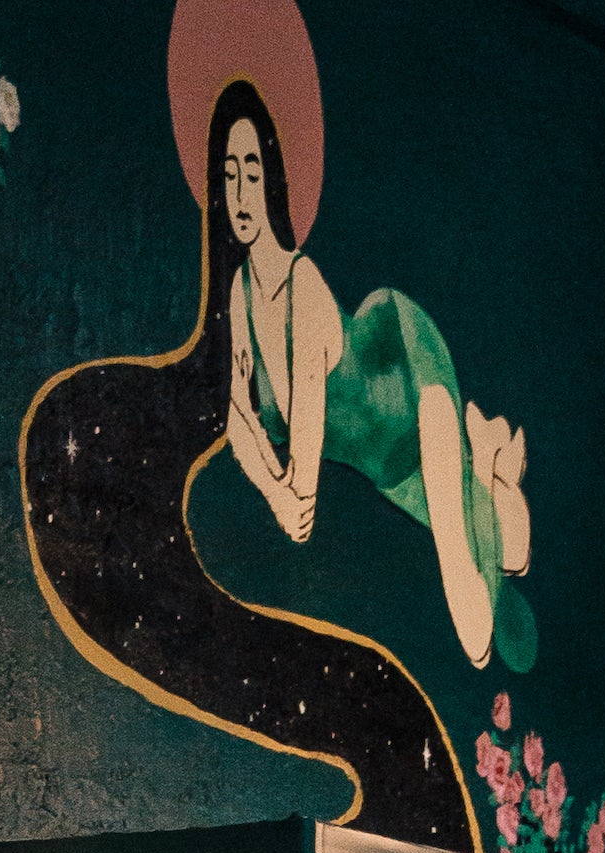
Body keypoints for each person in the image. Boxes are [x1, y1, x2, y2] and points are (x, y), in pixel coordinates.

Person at [212, 77, 533, 671]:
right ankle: (490, 465)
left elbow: (302, 488)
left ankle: (480, 461)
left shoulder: (302, 291)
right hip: (384, 463)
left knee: (473, 617)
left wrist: (286, 492)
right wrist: (270, 484)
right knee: (510, 551)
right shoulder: (238, 297)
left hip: (405, 375)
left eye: (252, 173)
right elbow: (232, 414)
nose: (240, 194)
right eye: (228, 175)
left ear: (275, 180)